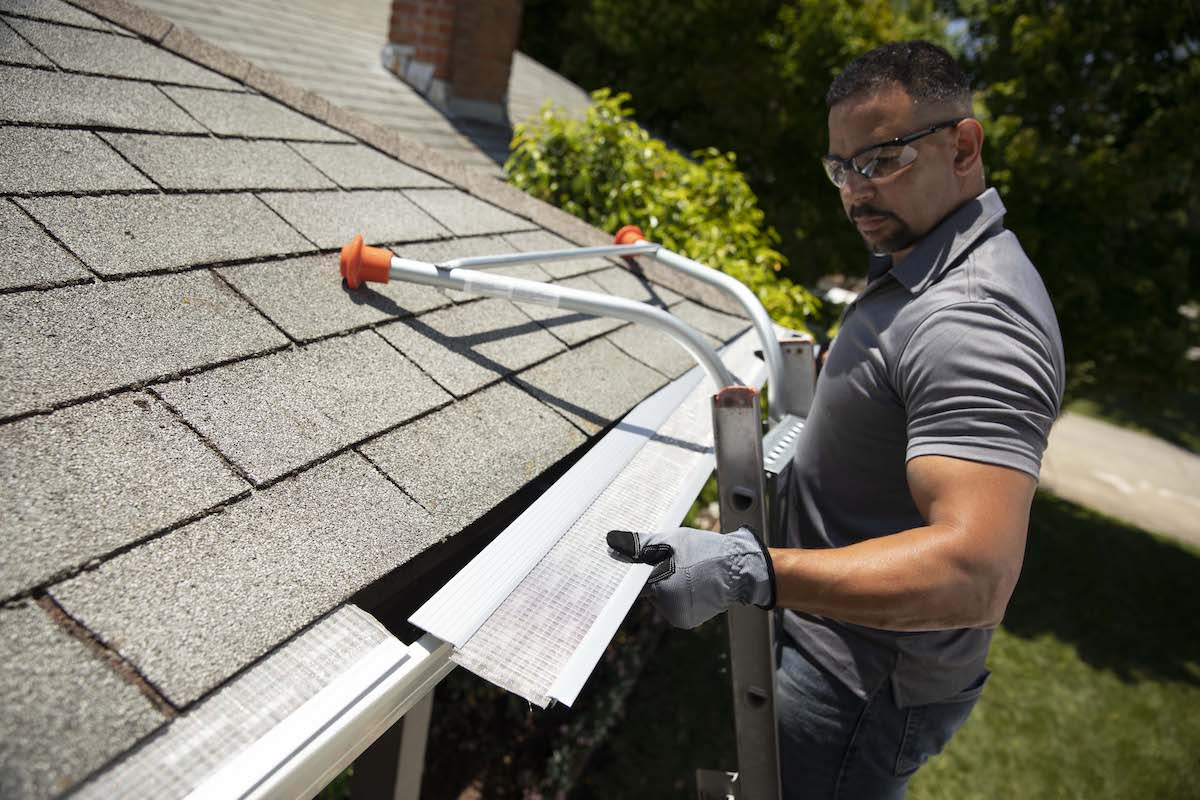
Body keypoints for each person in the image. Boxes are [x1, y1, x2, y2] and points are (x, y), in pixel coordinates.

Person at [607, 40, 1065, 798]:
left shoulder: (976, 318)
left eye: (881, 159)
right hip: (839, 647)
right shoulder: (926, 260)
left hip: (858, 684)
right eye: (841, 167)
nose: (855, 191)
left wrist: (751, 569)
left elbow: (973, 573)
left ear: (963, 145)